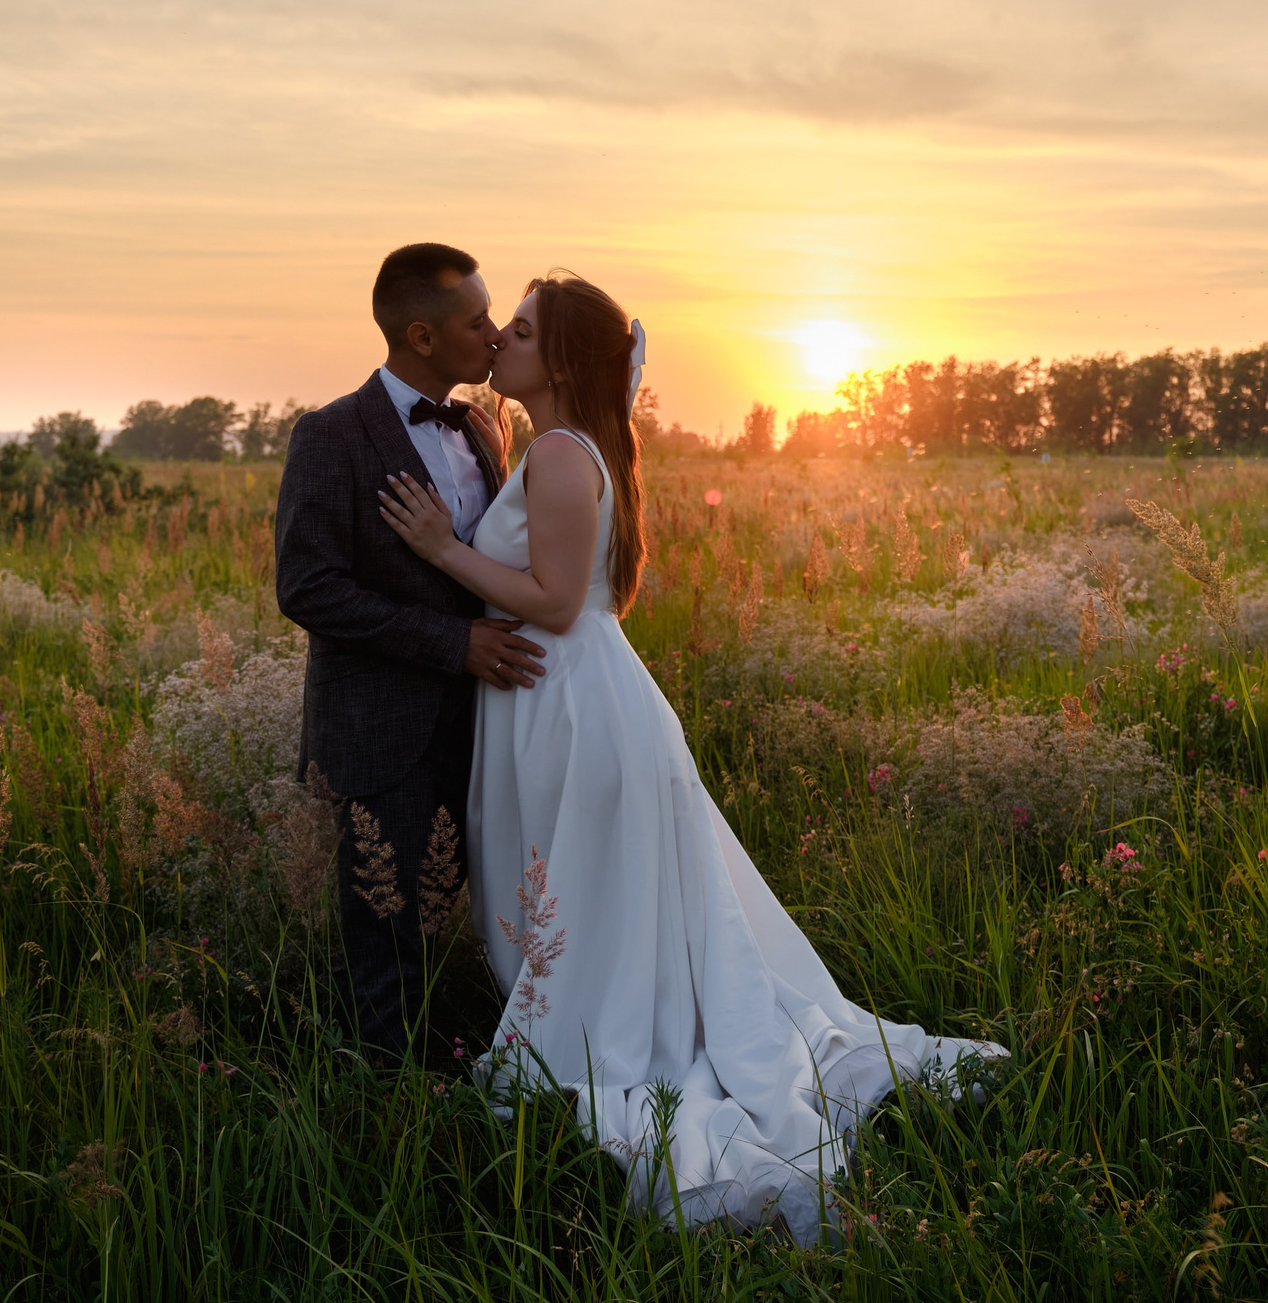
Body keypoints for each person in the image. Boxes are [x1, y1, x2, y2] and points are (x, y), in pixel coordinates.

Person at [378, 271, 1004, 1242]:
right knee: (608, 903)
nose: (503, 336)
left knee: (588, 903)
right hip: (569, 696)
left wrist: (437, 547)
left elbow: (549, 599)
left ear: (564, 362)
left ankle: (629, 1047)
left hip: (574, 705)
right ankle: (626, 1014)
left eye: (526, 330)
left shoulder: (557, 455)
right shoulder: (558, 447)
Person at [274, 242, 548, 1060]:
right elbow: (308, 587)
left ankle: (466, 1066)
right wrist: (452, 641)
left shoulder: (482, 426)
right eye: (477, 321)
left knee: (467, 918)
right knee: (384, 940)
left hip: (484, 724)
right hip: (380, 732)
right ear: (422, 337)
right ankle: (390, 1110)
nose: (495, 334)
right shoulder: (330, 435)